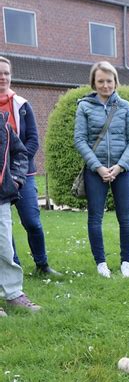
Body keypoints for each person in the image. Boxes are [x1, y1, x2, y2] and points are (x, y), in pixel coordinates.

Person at [74, 61, 129, 278]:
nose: (105, 85)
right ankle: (101, 263)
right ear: (94, 82)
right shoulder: (84, 106)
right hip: (96, 171)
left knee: (125, 218)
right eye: (100, 81)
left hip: (123, 171)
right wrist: (99, 167)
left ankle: (126, 263)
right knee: (95, 218)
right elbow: (80, 140)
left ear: (115, 82)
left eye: (109, 81)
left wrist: (120, 166)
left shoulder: (125, 107)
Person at [0, 56, 61, 277]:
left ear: (11, 76)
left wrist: (17, 168)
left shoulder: (22, 105)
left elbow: (33, 139)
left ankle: (42, 264)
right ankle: (13, 266)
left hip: (23, 175)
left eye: (6, 73)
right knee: (4, 228)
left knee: (32, 222)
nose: (3, 77)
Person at [0, 111, 41, 316]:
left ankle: (13, 293)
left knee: (5, 248)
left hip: (1, 198)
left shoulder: (4, 127)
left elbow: (20, 153)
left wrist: (15, 179)